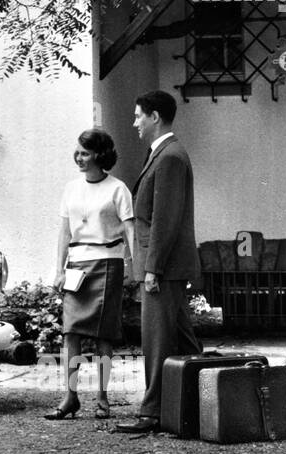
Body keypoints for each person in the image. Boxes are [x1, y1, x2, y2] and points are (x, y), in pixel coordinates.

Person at [116, 90, 201, 434]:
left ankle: (151, 412)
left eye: (138, 116)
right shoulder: (165, 154)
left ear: (155, 117)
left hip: (163, 267)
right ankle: (199, 401)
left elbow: (165, 219)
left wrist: (153, 268)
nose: (134, 123)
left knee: (157, 340)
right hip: (166, 265)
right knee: (183, 339)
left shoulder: (169, 157)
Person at [44, 129, 136, 421]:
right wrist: (58, 269)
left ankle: (103, 398)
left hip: (107, 263)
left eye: (85, 153)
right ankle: (70, 396)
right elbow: (64, 231)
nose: (79, 158)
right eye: (78, 152)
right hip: (77, 266)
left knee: (103, 335)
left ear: (100, 155)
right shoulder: (71, 189)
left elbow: (130, 230)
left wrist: (135, 266)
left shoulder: (117, 189)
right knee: (70, 331)